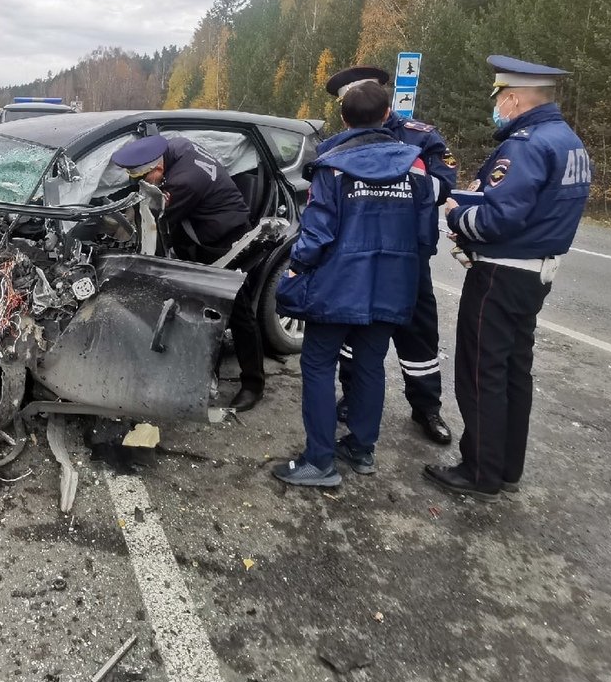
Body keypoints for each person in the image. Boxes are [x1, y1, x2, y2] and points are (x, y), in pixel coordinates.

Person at [424, 55, 591, 502]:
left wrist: (457, 214)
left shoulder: (525, 144)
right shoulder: (568, 141)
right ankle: (506, 468)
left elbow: (497, 221)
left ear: (514, 98)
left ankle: (480, 472)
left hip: (501, 274)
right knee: (515, 372)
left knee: (482, 374)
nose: (497, 104)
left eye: (500, 97)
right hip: (536, 273)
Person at [272, 81, 438, 487]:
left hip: (337, 285)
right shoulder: (415, 166)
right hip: (393, 284)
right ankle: (362, 450)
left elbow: (317, 232)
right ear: (387, 116)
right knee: (369, 365)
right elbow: (426, 235)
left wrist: (296, 268)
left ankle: (320, 461)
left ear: (343, 117)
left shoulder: (332, 164)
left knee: (317, 365)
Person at [325, 66, 458, 446]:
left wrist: (395, 174)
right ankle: (352, 396)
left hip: (408, 255)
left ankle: (426, 407)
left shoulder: (420, 136)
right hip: (358, 254)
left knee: (417, 332)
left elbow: (444, 186)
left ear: (382, 102)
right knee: (354, 328)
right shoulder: (341, 141)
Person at [110, 134, 265, 411]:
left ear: (157, 169)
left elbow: (155, 222)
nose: (141, 185)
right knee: (202, 308)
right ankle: (206, 371)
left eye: (143, 179)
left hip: (225, 240)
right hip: (202, 232)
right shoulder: (175, 146)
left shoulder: (183, 182)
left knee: (237, 312)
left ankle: (253, 385)